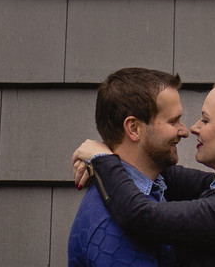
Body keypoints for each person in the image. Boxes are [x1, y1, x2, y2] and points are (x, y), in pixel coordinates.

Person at [73, 70, 215, 267]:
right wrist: (106, 151)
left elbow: (141, 215)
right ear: (133, 128)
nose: (190, 129)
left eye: (205, 120)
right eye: (173, 120)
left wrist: (103, 158)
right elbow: (157, 169)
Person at [69, 67, 189, 267]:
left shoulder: (151, 189)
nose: (184, 131)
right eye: (173, 121)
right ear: (133, 128)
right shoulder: (114, 226)